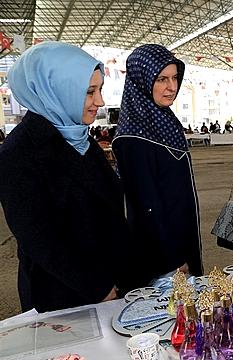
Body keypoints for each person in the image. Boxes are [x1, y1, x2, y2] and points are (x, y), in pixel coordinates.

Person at [0, 42, 133, 312]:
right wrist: (99, 287)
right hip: (64, 301)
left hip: (111, 287)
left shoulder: (81, 139)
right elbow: (41, 240)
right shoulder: (17, 154)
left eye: (100, 90)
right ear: (54, 91)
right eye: (89, 92)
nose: (100, 102)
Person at [113, 44, 203, 284]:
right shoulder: (132, 137)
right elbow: (146, 207)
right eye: (162, 79)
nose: (172, 87)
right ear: (142, 80)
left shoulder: (164, 121)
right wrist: (173, 260)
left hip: (181, 240)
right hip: (161, 258)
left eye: (174, 78)